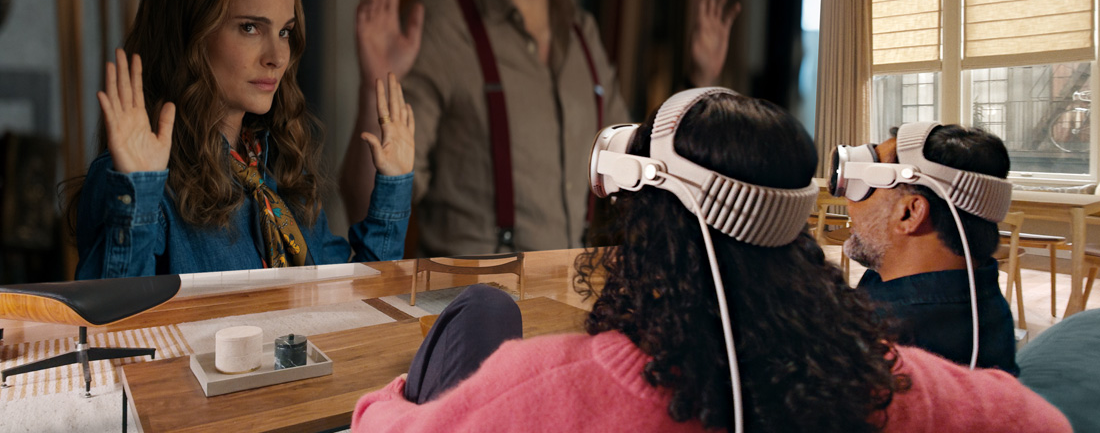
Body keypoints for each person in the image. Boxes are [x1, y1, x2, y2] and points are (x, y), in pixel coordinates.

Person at [351, 88, 1068, 433]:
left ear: (644, 214)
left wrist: (382, 399)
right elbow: (1041, 423)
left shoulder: (542, 389)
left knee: (480, 311)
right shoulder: (885, 377)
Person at [340, 0, 740, 256]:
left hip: (573, 304)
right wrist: (374, 90)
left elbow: (637, 159)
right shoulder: (438, 28)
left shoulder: (583, 30)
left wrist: (698, 80)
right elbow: (365, 206)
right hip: (472, 309)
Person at [72, 0, 415, 279]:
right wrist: (139, 191)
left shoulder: (281, 172)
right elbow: (112, 322)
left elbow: (352, 303)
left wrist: (393, 186)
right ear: (190, 33)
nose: (277, 57)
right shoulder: (140, 181)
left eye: (284, 31)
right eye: (250, 28)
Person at [837, 124, 1019, 373]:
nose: (848, 202)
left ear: (910, 212)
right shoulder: (976, 293)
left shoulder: (890, 340)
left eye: (863, 188)